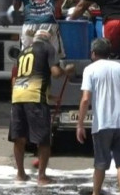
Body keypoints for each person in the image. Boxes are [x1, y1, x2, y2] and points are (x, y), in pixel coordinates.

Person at [76, 38, 120, 195]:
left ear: (93, 53)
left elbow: (86, 99)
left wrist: (80, 124)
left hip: (103, 124)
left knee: (101, 163)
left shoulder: (90, 70)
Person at [10, 29, 73, 185]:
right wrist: (66, 71)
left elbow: (20, 77)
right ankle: (42, 177)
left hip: (18, 96)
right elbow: (55, 72)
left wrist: (49, 96)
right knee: (43, 139)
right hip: (35, 99)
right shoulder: (48, 48)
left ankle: (20, 174)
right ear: (48, 39)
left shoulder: (24, 52)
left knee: (20, 137)